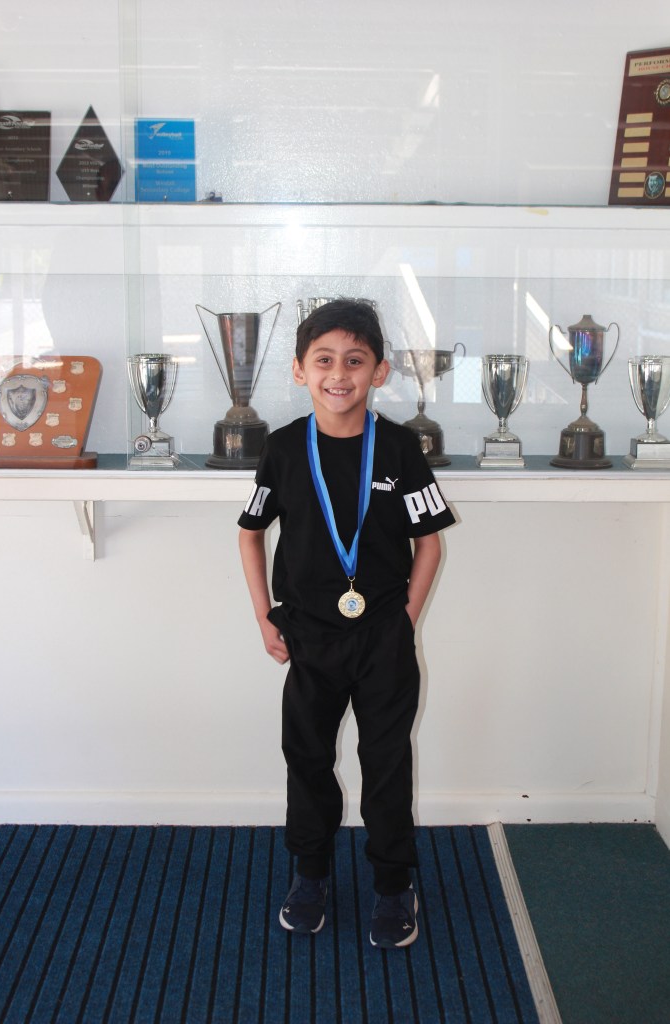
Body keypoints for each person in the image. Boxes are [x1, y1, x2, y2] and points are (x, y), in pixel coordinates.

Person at [238, 298, 456, 948]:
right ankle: (310, 874)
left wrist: (405, 619)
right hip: (308, 639)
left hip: (383, 638)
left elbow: (429, 543)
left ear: (379, 372)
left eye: (355, 361)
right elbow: (250, 534)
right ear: (300, 370)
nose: (339, 374)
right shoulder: (283, 448)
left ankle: (392, 883)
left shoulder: (400, 448)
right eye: (324, 360)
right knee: (306, 759)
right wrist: (264, 618)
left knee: (385, 763)